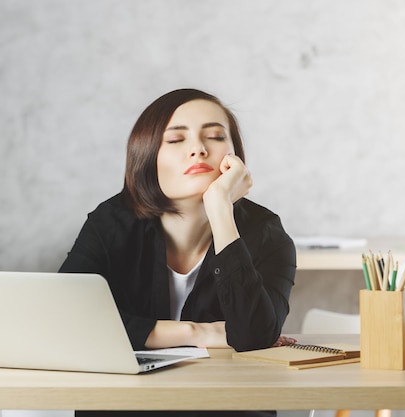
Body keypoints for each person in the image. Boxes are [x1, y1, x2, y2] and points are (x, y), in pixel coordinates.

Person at [59, 88, 297, 417]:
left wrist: (220, 210)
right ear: (147, 156)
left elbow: (253, 336)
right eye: (176, 140)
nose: (198, 149)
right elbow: (66, 319)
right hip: (125, 409)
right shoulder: (110, 223)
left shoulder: (266, 233)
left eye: (214, 136)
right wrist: (197, 332)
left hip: (230, 409)